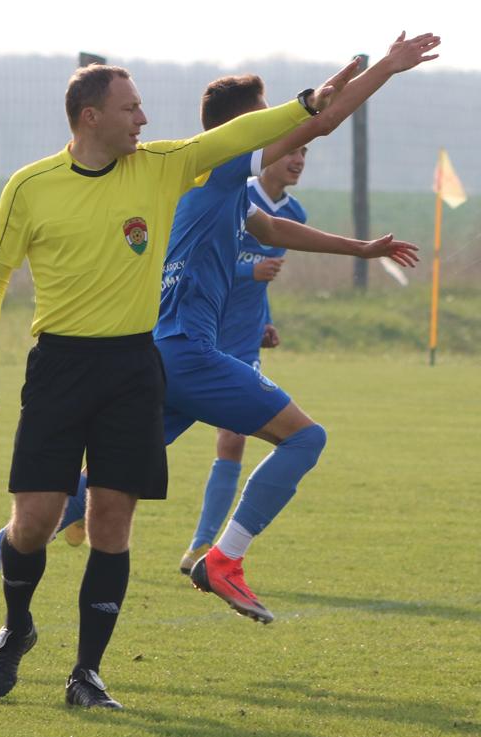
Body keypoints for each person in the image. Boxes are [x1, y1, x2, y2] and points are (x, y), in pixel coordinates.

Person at [0, 58, 359, 709]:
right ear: (91, 117)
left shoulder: (166, 168)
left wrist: (309, 104)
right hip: (70, 365)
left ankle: (83, 669)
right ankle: (20, 623)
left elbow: (242, 147)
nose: (143, 117)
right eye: (130, 107)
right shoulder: (34, 185)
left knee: (109, 519)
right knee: (38, 518)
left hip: (136, 367)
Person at [158, 33, 437, 625]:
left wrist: (360, 249)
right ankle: (222, 559)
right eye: (262, 117)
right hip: (191, 350)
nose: (276, 128)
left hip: (164, 350)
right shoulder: (223, 164)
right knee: (306, 438)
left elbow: (272, 229)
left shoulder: (208, 180)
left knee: (109, 475)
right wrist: (388, 67)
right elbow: (323, 121)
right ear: (240, 127)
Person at [178, 146, 307, 575]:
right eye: (291, 151)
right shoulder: (234, 194)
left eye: (304, 152)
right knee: (143, 438)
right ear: (267, 155)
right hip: (200, 331)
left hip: (243, 338)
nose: (298, 160)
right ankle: (77, 502)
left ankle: (202, 543)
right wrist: (247, 272)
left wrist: (264, 321)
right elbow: (201, 261)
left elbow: (262, 281)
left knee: (234, 436)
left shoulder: (295, 214)